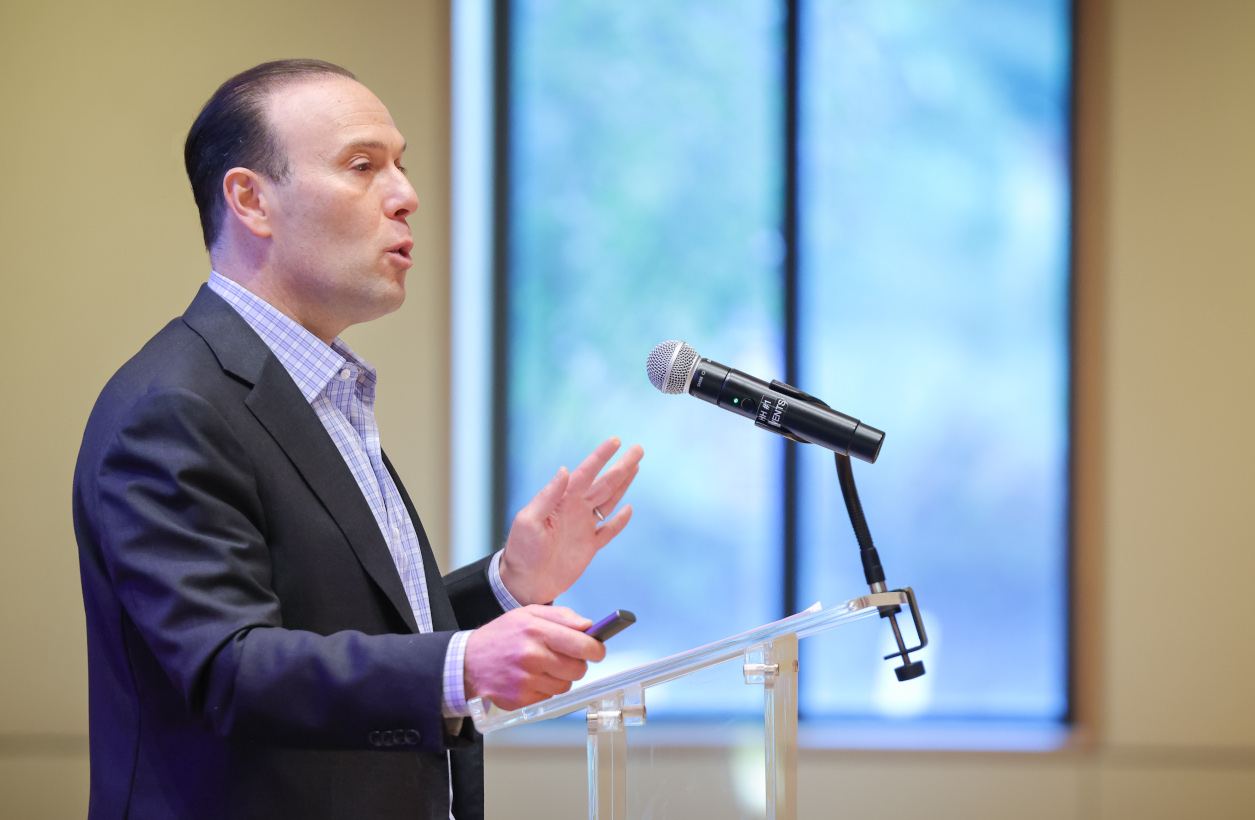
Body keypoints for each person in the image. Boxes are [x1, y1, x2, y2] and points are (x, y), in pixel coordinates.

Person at [72, 58, 644, 820]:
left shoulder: (319, 386)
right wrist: (465, 661)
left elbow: (355, 628)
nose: (406, 196)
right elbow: (227, 668)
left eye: (400, 166)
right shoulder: (174, 406)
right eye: (362, 166)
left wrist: (509, 584)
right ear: (251, 200)